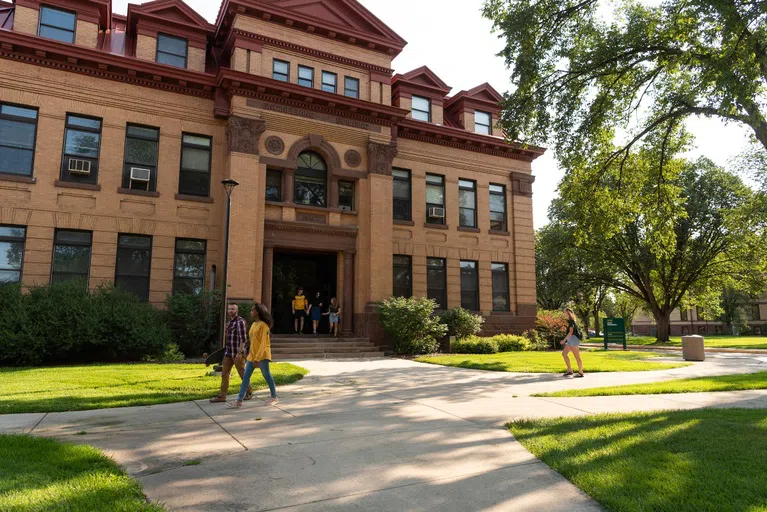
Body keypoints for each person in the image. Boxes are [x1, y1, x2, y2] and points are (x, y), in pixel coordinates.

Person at [228, 303, 278, 408]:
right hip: (252, 355)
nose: (251, 312)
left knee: (266, 375)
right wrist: (249, 353)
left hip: (262, 355)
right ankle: (239, 401)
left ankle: (274, 397)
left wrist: (257, 358)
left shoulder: (263, 326)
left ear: (258, 312)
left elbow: (263, 344)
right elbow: (252, 341)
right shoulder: (254, 324)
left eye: (252, 310)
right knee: (246, 377)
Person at [210, 303, 253, 403]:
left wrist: (240, 352)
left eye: (232, 309)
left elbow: (243, 339)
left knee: (242, 373)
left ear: (236, 310)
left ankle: (249, 392)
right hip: (228, 353)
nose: (230, 311)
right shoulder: (229, 323)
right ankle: (222, 396)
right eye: (229, 309)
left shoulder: (240, 322)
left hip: (237, 353)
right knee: (225, 374)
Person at [561, 308, 585, 377]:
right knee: (564, 354)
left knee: (577, 356)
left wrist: (564, 340)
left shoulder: (571, 321)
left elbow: (571, 332)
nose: (564, 313)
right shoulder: (569, 321)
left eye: (564, 312)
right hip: (570, 339)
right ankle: (569, 370)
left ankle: (581, 372)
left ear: (568, 313)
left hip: (573, 339)